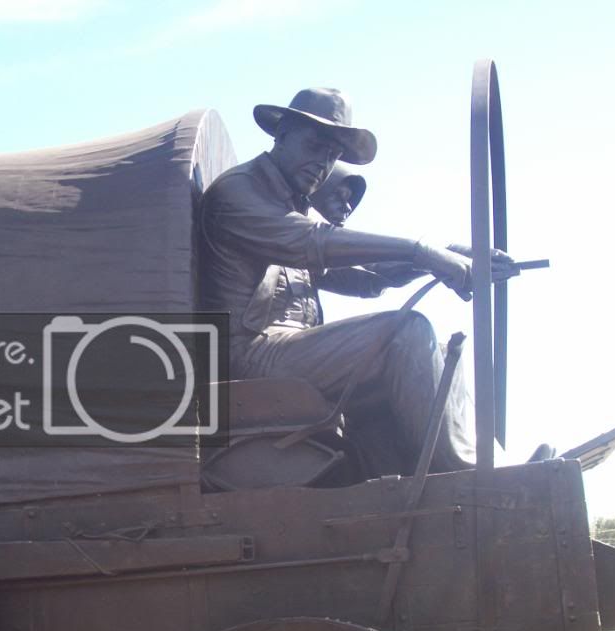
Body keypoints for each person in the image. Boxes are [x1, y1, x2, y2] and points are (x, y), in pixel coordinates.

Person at [200, 87, 514, 474]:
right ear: (281, 135)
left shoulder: (288, 203)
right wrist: (420, 250)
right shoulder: (240, 191)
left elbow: (365, 279)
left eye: (332, 155)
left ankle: (445, 472)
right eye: (315, 146)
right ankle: (483, 476)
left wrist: (442, 256)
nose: (323, 162)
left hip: (287, 351)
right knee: (407, 333)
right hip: (252, 355)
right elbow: (310, 243)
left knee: (442, 352)